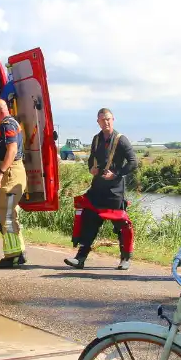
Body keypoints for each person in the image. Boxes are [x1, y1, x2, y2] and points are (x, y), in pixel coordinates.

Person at [64, 108, 138, 270]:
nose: (106, 122)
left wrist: (116, 174)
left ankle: (125, 258)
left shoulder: (121, 139)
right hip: (97, 190)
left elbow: (133, 162)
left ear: (113, 119)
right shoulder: (96, 139)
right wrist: (91, 168)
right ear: (98, 121)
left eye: (109, 119)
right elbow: (91, 159)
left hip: (114, 192)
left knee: (121, 227)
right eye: (103, 120)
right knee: (89, 222)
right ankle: (80, 258)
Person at [0, 98, 27, 268]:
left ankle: (13, 255)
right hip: (14, 173)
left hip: (11, 175)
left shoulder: (7, 125)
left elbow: (11, 150)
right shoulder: (13, 123)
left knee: (7, 215)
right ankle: (19, 251)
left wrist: (0, 171)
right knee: (10, 213)